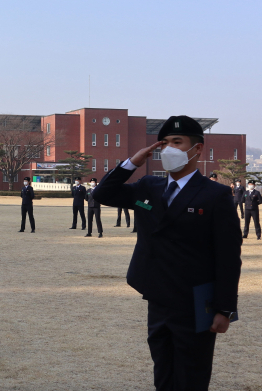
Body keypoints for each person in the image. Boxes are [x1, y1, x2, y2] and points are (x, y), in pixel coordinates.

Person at [93, 115, 241, 390]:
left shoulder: (215, 195)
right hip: (157, 296)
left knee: (191, 376)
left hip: (195, 301)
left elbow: (229, 256)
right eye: (164, 143)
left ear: (196, 149)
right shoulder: (150, 186)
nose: (168, 149)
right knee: (163, 373)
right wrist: (132, 162)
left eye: (177, 142)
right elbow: (102, 194)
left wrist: (225, 308)